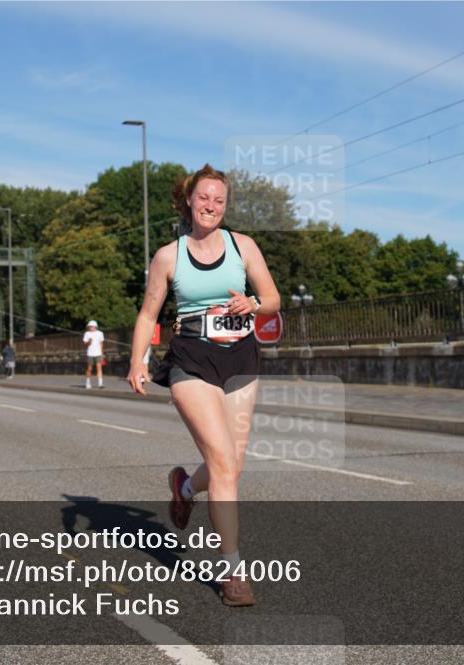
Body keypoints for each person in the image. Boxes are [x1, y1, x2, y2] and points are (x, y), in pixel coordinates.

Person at [127, 164, 280, 607]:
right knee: (225, 465)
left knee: (232, 463)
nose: (212, 205)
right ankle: (233, 571)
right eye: (204, 198)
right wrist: (137, 360)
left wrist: (252, 302)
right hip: (192, 358)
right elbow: (147, 314)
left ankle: (186, 490)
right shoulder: (168, 256)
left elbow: (272, 298)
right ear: (189, 201)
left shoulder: (243, 246)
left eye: (220, 200)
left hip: (240, 357)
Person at [83, 320, 104, 389]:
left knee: (99, 367)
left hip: (98, 353)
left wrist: (101, 353)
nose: (90, 328)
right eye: (89, 327)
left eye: (91, 326)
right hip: (90, 353)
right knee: (89, 368)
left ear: (95, 326)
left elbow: (101, 343)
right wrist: (89, 341)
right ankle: (88, 382)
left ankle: (100, 383)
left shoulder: (100, 333)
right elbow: (85, 343)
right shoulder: (87, 333)